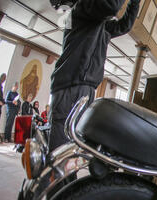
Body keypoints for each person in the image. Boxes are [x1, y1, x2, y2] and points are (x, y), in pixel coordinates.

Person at [48, 0, 142, 152]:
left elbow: (124, 25)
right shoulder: (81, 8)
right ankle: (51, 175)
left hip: (85, 86)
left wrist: (135, 3)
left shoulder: (101, 25)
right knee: (60, 149)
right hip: (71, 83)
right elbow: (110, 6)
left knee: (74, 148)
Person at [0, 73, 6, 143]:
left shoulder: (1, 86)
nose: (4, 79)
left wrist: (4, 102)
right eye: (3, 77)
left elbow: (1, 97)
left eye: (5, 78)